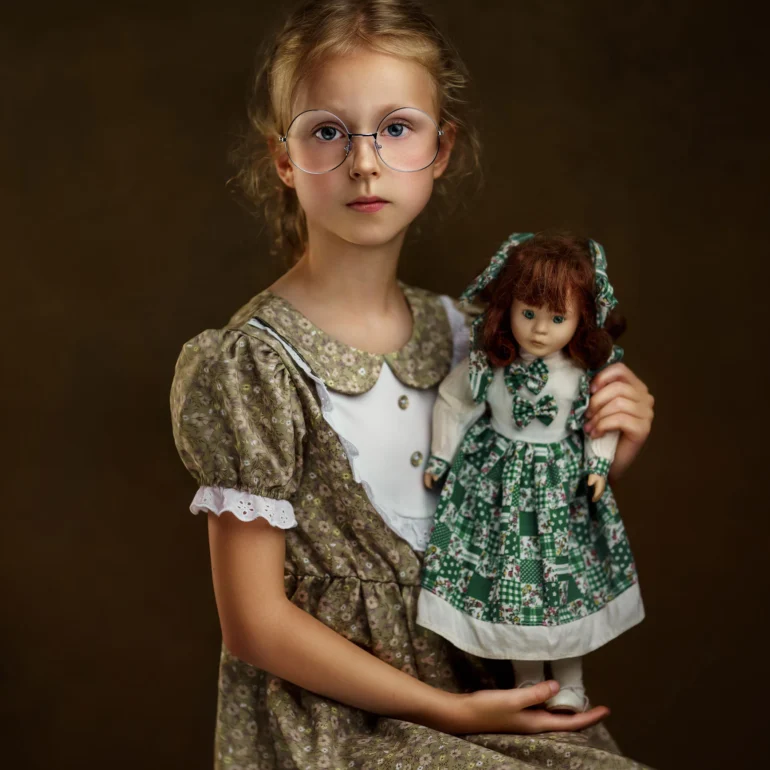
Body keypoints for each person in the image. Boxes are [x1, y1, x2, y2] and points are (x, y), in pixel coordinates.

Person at [169, 1, 655, 767]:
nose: (364, 162)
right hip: (335, 720)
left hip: (483, 678)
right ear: (283, 159)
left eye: (397, 129)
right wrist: (445, 714)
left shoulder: (476, 336)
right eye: (328, 131)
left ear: (441, 149)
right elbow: (254, 624)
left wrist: (608, 454)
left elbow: (524, 505)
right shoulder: (254, 365)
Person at [417, 232, 645, 715]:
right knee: (516, 583)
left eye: (557, 318)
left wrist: (598, 465)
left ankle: (570, 681)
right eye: (529, 313)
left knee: (562, 583)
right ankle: (526, 682)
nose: (540, 330)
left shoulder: (582, 376)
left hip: (561, 494)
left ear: (581, 320)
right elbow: (454, 403)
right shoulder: (488, 367)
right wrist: (442, 456)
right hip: (502, 493)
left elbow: (598, 423)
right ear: (508, 308)